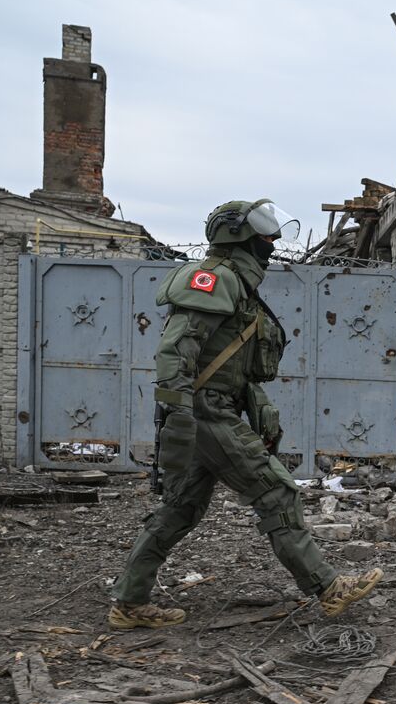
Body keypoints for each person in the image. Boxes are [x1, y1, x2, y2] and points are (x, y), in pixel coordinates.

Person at [109, 199, 381, 630]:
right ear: (238, 237)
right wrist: (180, 417)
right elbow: (177, 352)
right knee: (276, 492)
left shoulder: (236, 283)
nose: (272, 242)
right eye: (264, 234)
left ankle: (129, 601)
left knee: (180, 509)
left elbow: (231, 364)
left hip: (214, 410)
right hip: (207, 414)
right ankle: (328, 589)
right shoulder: (214, 280)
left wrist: (260, 408)